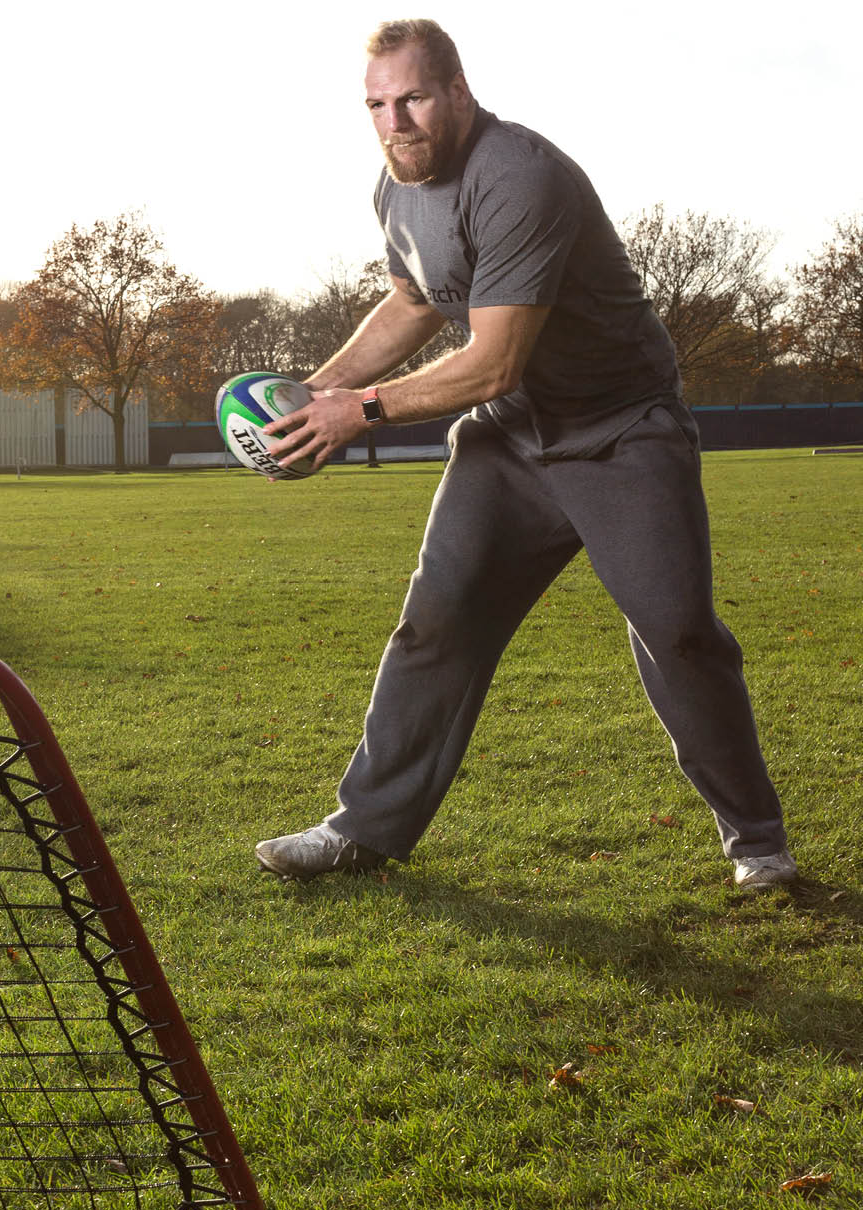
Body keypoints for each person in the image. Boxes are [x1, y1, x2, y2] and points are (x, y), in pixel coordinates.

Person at [253, 18, 797, 892]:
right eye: (378, 104)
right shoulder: (398, 187)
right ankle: (363, 832)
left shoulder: (519, 176)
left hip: (620, 430)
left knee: (680, 633)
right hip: (510, 438)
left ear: (459, 92)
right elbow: (412, 301)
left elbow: (492, 357)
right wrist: (309, 399)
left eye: (415, 98)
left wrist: (354, 411)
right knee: (438, 620)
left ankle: (758, 841)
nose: (396, 121)